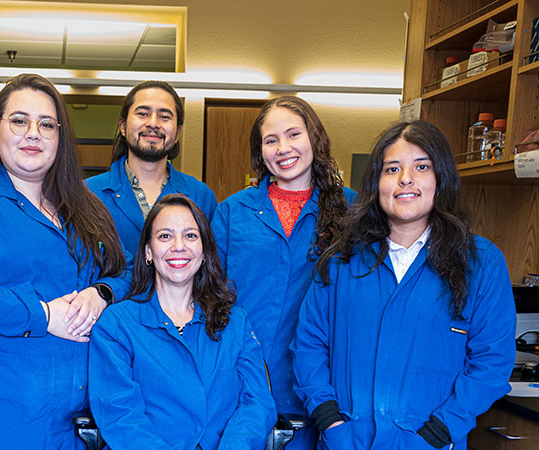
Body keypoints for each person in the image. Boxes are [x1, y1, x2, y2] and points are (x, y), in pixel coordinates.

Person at [0, 73, 129, 450]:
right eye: (19, 121)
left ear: (60, 138)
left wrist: (102, 292)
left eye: (47, 124)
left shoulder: (85, 207)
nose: (33, 133)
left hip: (77, 414)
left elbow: (127, 270)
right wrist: (43, 315)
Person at [292, 120, 516, 450]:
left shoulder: (481, 263)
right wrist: (331, 422)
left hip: (430, 443)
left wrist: (437, 434)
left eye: (421, 167)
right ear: (376, 183)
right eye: (392, 169)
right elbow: (309, 345)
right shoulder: (341, 260)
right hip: (345, 441)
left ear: (441, 178)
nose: (405, 178)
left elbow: (491, 364)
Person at [211, 96, 354, 449]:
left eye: (293, 134)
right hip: (241, 378)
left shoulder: (351, 209)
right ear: (260, 152)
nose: (283, 148)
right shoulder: (233, 211)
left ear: (314, 138)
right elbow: (208, 294)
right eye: (271, 140)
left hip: (320, 385)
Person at [89, 193, 276, 450]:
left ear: (204, 251)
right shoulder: (117, 325)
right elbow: (119, 413)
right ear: (148, 252)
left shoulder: (235, 322)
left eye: (190, 235)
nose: (179, 246)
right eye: (165, 236)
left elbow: (257, 403)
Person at [87, 80, 217, 253]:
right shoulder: (88, 194)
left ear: (177, 133)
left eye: (164, 117)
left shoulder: (201, 196)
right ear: (123, 127)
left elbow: (211, 262)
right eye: (143, 114)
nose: (153, 123)